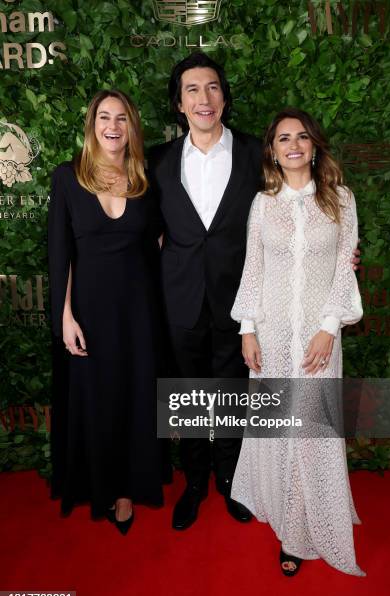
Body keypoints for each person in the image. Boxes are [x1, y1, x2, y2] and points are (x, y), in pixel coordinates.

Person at [230, 108, 365, 576]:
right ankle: (290, 526)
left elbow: (345, 268)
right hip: (271, 335)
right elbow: (253, 268)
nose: (293, 145)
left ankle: (310, 524)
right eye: (283, 138)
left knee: (313, 432)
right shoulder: (262, 203)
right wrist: (247, 329)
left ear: (314, 145)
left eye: (302, 136)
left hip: (317, 338)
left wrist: (330, 327)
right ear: (272, 150)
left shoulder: (340, 200)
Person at [149, 52, 261, 529]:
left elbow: (292, 209)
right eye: (192, 89)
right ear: (179, 103)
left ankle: (231, 479)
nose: (203, 98)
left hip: (240, 300)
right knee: (188, 393)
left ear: (224, 96)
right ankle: (194, 481)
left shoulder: (259, 153)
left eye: (212, 87)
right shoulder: (156, 160)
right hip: (180, 300)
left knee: (234, 391)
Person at [48, 90, 164, 534]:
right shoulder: (67, 177)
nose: (112, 126)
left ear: (132, 126)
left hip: (138, 314)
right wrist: (66, 316)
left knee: (135, 398)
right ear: (92, 124)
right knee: (97, 400)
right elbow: (62, 255)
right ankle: (99, 483)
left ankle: (125, 491)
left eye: (121, 118)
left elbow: (162, 244)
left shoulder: (144, 180)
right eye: (104, 117)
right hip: (89, 313)